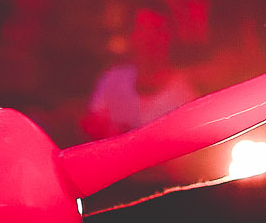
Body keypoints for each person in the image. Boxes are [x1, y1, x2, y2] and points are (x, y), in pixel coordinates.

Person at [83, 8, 194, 140]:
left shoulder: (184, 99)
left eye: (156, 29)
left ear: (169, 36)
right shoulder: (112, 79)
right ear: (131, 36)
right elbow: (91, 125)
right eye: (142, 29)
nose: (149, 38)